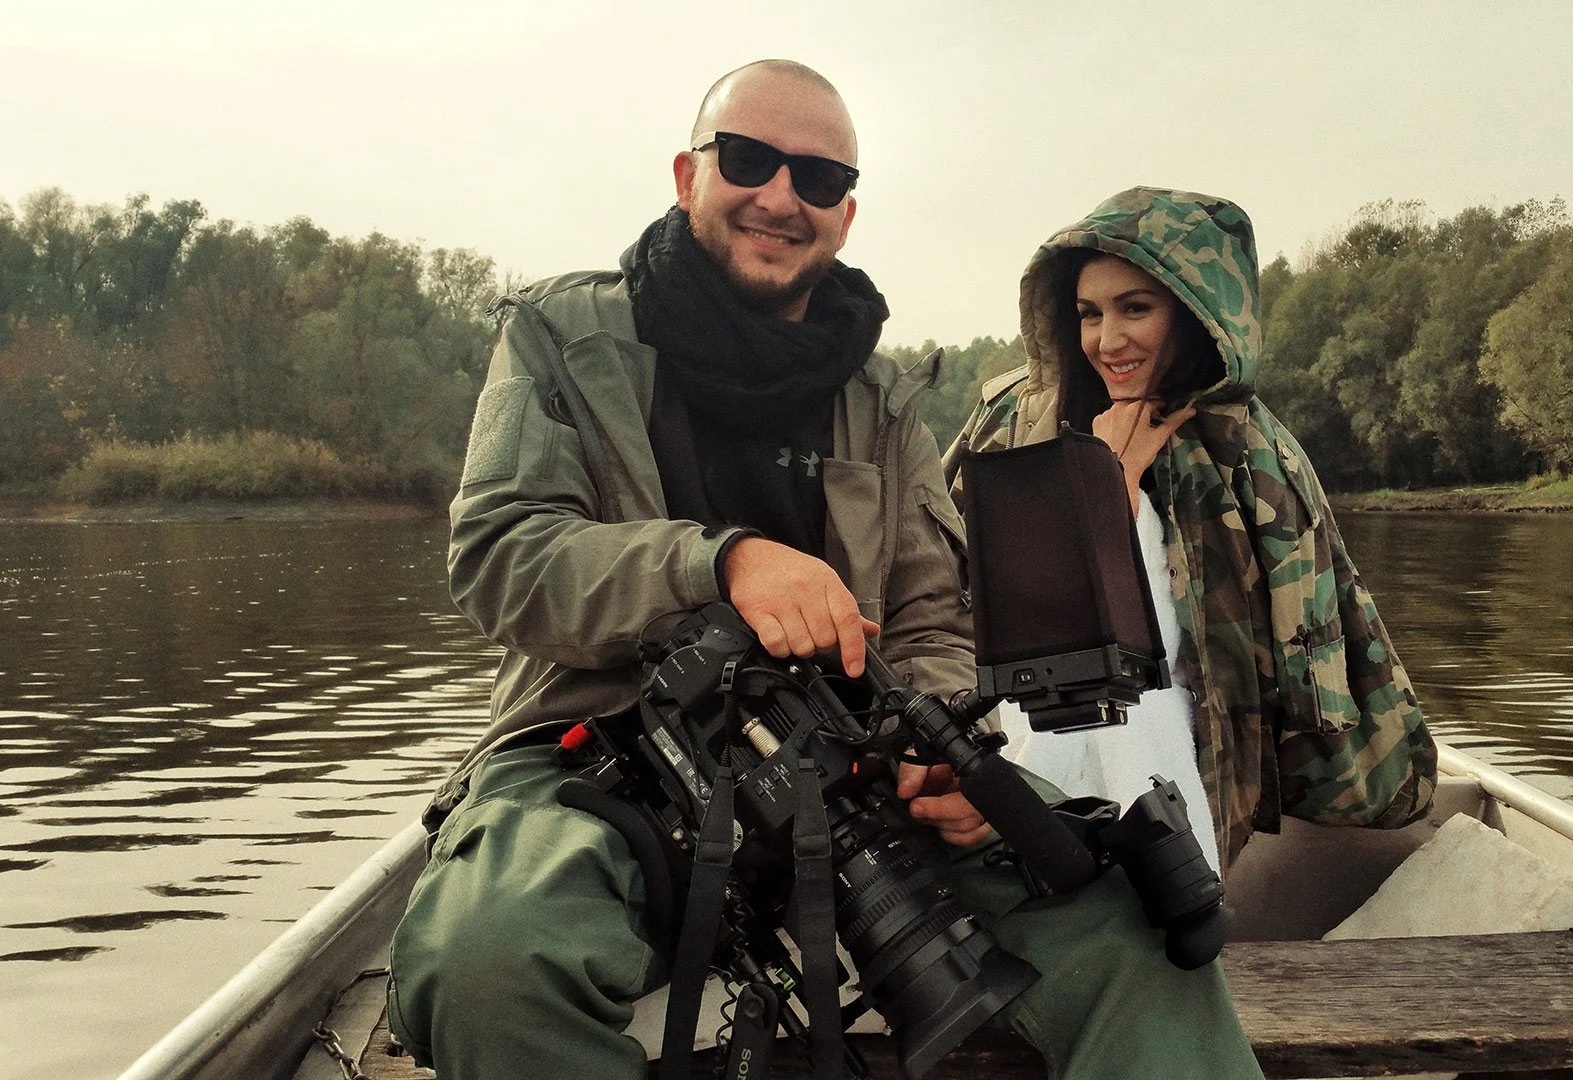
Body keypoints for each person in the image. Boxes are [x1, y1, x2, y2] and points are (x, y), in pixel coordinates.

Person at [385, 64, 1262, 1080]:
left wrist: (947, 762)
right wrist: (721, 565)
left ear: (845, 212)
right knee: (486, 967)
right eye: (748, 160)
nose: (779, 196)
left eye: (816, 175)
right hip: (599, 757)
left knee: (1135, 930)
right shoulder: (559, 338)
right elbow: (499, 556)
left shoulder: (883, 396)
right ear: (687, 175)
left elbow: (935, 624)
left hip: (855, 771)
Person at [947, 187, 1437, 874]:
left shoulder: (1256, 454)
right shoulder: (1012, 425)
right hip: (1029, 749)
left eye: (1135, 308)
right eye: (1089, 314)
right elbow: (949, 593)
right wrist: (1104, 483)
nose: (1107, 340)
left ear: (1194, 312)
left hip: (1184, 756)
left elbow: (1323, 641)